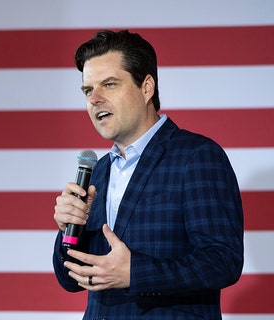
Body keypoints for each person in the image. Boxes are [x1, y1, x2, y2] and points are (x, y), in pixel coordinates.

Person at [52, 29, 244, 319]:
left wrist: (135, 273)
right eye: (88, 90)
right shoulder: (98, 171)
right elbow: (71, 279)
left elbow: (222, 261)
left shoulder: (197, 156)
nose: (95, 99)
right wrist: (69, 228)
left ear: (146, 87)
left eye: (109, 84)